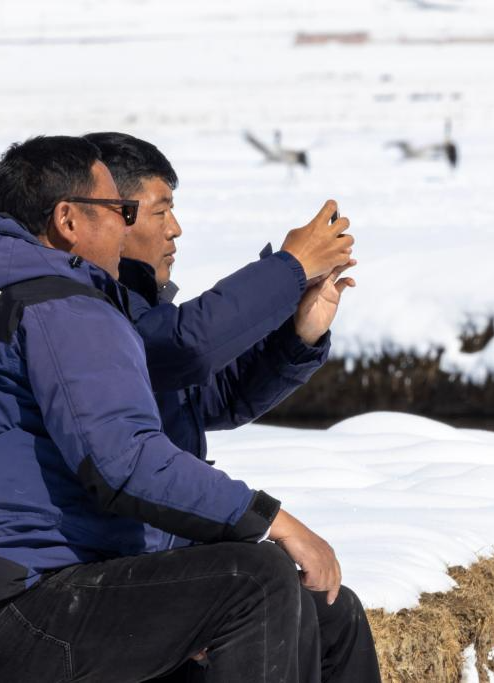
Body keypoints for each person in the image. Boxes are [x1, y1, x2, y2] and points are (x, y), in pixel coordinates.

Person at [0, 135, 376, 682]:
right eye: (122, 211)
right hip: (1, 607)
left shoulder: (18, 294)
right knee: (256, 578)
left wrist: (296, 338)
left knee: (320, 613)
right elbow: (125, 462)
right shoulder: (59, 305)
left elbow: (164, 421)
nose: (131, 228)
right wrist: (274, 520)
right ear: (68, 221)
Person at [82, 132, 374, 681]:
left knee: (335, 615)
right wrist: (288, 268)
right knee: (266, 588)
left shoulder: (138, 304)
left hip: (162, 550)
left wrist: (298, 335)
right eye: (162, 209)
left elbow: (210, 396)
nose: (176, 229)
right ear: (113, 216)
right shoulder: (86, 308)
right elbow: (184, 349)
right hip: (109, 567)